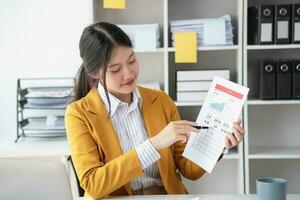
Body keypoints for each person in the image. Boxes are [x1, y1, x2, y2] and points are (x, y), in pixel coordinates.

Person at [65, 21, 245, 199]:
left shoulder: (160, 100)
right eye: (115, 69)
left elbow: (188, 169)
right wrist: (154, 144)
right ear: (95, 73)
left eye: (132, 60)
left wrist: (217, 143)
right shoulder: (79, 114)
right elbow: (93, 184)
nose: (128, 74)